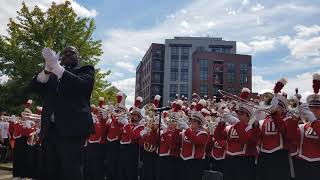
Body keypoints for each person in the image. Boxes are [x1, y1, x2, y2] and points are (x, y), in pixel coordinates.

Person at [31, 47, 95, 180]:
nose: (67, 55)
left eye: (71, 53)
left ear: (78, 56)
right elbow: (35, 86)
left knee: (72, 170)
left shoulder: (85, 70)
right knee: (50, 170)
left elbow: (81, 85)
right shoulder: (53, 75)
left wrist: (56, 67)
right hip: (50, 129)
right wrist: (47, 70)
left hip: (72, 130)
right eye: (64, 53)